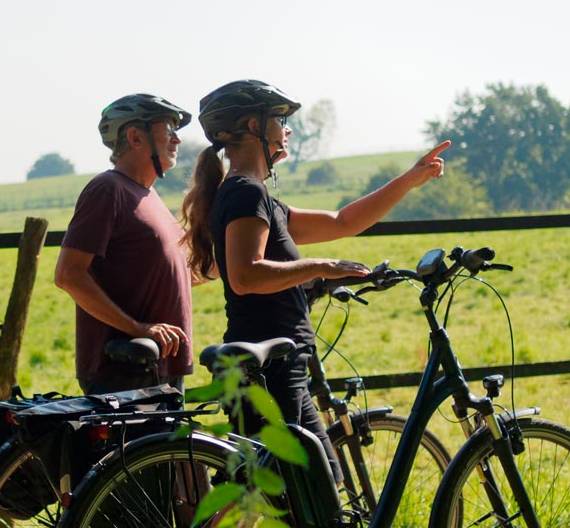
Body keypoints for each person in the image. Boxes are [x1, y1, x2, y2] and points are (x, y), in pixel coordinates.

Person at [182, 79, 449, 487]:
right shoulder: (244, 194)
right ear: (254, 126)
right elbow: (245, 274)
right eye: (280, 120)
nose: (287, 129)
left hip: (277, 364)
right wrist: (318, 268)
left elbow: (344, 222)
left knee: (262, 496)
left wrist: (408, 180)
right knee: (313, 494)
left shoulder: (258, 198)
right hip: (269, 368)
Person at [55, 94, 196, 395]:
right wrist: (138, 328)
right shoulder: (108, 190)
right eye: (169, 129)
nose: (177, 140)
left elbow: (164, 277)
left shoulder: (148, 196)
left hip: (160, 366)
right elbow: (68, 275)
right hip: (126, 369)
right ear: (134, 136)